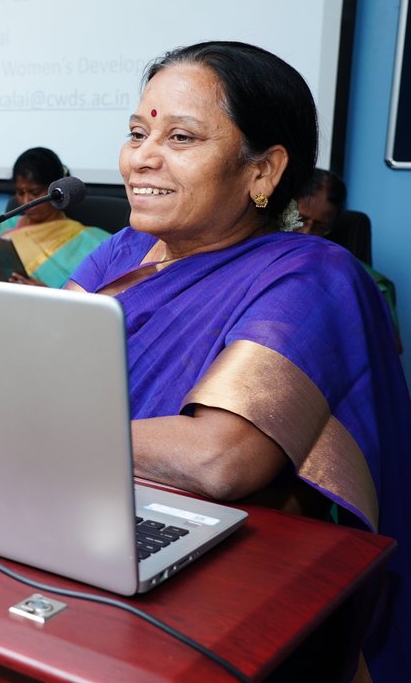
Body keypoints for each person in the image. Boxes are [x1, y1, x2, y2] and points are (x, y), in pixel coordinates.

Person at [67, 41, 410, 680]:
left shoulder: (313, 275)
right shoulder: (123, 251)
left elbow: (218, 458)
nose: (142, 156)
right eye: (138, 132)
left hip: (210, 589)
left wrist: (29, 428)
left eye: (182, 137)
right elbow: (36, 365)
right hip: (79, 526)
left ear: (263, 170)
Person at [0, 147, 109, 286]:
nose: (26, 201)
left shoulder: (89, 240)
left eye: (34, 192)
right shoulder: (4, 226)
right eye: (20, 192)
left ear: (56, 190)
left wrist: (46, 293)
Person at [298, 168, 401, 352]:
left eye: (320, 225)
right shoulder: (261, 257)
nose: (307, 232)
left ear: (332, 224)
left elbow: (391, 348)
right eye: (301, 220)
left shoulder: (367, 280)